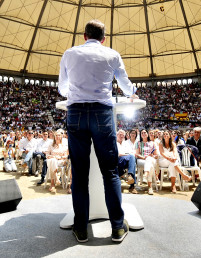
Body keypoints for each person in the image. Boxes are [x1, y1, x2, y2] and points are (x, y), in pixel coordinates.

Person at [58, 19, 135, 243]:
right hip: (102, 114)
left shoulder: (69, 54)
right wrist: (133, 92)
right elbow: (125, 84)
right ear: (103, 39)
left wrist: (75, 89)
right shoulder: (112, 54)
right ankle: (117, 227)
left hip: (76, 113)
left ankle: (81, 228)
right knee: (110, 172)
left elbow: (63, 88)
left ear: (84, 36)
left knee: (80, 174)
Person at [136, 129, 159, 194]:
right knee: (150, 165)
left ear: (147, 134)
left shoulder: (153, 143)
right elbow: (137, 154)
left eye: (145, 132)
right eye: (142, 133)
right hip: (141, 160)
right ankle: (150, 187)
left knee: (149, 159)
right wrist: (143, 157)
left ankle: (145, 175)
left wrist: (152, 156)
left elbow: (156, 155)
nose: (143, 134)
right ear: (140, 135)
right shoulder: (138, 143)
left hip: (151, 159)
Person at [46, 129, 69, 194]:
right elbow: (47, 154)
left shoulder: (64, 146)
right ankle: (56, 178)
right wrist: (51, 157)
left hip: (61, 161)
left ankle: (52, 184)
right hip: (52, 161)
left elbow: (66, 156)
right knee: (52, 161)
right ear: (54, 137)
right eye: (56, 135)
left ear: (61, 136)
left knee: (52, 161)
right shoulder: (51, 145)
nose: (57, 137)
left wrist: (58, 157)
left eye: (59, 135)